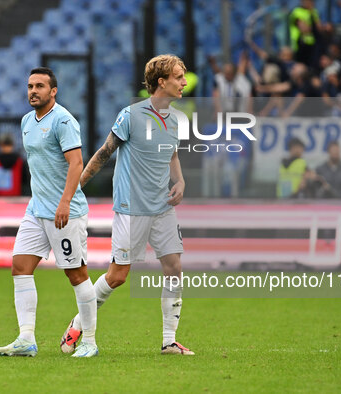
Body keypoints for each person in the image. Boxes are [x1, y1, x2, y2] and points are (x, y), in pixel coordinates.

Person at [60, 54, 194, 356]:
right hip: (131, 209)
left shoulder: (176, 119)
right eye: (178, 77)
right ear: (161, 82)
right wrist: (73, 190)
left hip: (163, 208)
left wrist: (180, 182)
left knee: (174, 268)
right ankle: (78, 323)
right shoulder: (131, 115)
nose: (184, 82)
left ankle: (168, 341)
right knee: (118, 277)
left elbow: (172, 155)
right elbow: (104, 153)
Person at [0, 67, 98, 358]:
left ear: (53, 91)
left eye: (40, 86)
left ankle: (89, 341)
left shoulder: (63, 121)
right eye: (29, 86)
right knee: (20, 267)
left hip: (66, 211)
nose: (33, 91)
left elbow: (76, 163)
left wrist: (64, 202)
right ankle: (26, 338)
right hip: (36, 208)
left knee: (77, 275)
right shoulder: (27, 121)